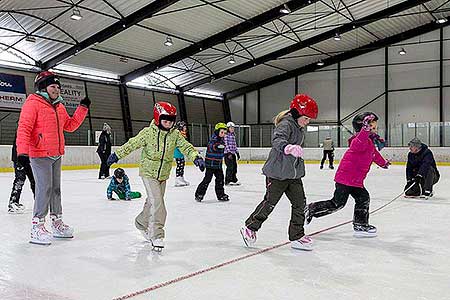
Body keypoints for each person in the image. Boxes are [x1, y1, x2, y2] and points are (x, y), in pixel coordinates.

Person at [107, 101, 205, 252]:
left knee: (152, 202)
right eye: (165, 120)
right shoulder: (148, 133)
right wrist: (117, 154)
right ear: (158, 118)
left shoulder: (175, 135)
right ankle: (157, 235)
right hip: (148, 173)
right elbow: (132, 144)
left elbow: (186, 146)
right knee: (158, 203)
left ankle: (140, 222)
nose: (168, 124)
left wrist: (195, 157)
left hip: (163, 174)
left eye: (171, 121)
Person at [16, 71, 89, 245]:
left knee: (56, 190)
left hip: (56, 154)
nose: (56, 90)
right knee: (44, 189)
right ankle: (37, 226)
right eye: (53, 86)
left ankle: (57, 223)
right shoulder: (33, 103)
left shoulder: (59, 106)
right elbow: (24, 128)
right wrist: (22, 152)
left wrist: (82, 109)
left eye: (58, 87)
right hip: (39, 154)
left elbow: (69, 126)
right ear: (43, 87)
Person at [240, 94, 318, 251]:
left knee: (300, 203)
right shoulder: (286, 124)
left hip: (293, 174)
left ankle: (297, 236)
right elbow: (277, 140)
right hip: (277, 174)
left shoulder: (298, 126)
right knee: (270, 202)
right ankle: (250, 227)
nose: (308, 122)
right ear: (297, 113)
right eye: (306, 118)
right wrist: (287, 147)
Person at [305, 112, 390, 238]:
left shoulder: (370, 143)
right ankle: (311, 209)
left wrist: (383, 163)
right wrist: (365, 130)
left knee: (363, 198)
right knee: (337, 203)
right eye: (372, 126)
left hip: (356, 181)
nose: (375, 128)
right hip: (345, 179)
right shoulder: (358, 141)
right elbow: (361, 140)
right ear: (363, 127)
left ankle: (360, 224)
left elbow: (374, 155)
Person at [195, 122, 229, 202]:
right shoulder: (213, 139)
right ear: (217, 132)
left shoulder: (222, 140)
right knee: (207, 179)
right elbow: (212, 146)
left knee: (220, 179)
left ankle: (220, 195)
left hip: (218, 165)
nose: (223, 134)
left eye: (225, 133)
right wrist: (217, 146)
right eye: (221, 132)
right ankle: (199, 194)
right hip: (210, 164)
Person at [8, 132, 35, 214]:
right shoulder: (23, 127)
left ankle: (39, 202)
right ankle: (13, 202)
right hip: (20, 157)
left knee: (34, 180)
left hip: (29, 157)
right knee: (20, 179)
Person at [173, 121, 190, 187]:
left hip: (181, 153)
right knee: (179, 165)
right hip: (178, 152)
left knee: (182, 165)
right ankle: (178, 179)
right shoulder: (179, 134)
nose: (185, 128)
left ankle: (181, 178)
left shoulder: (183, 134)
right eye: (184, 127)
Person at [224, 121, 241, 185]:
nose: (232, 129)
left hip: (233, 153)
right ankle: (227, 180)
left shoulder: (233, 135)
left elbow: (234, 145)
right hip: (228, 154)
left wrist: (237, 152)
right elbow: (226, 144)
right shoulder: (226, 135)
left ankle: (234, 179)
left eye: (233, 128)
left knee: (234, 167)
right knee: (230, 167)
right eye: (231, 128)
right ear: (228, 128)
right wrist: (229, 153)